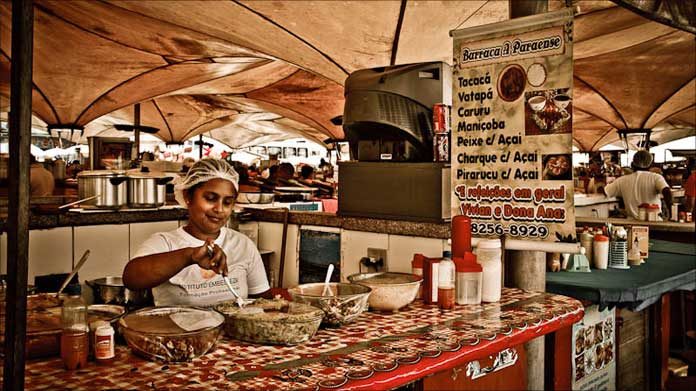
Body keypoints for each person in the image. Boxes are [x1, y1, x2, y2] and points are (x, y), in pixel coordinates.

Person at [123, 159, 270, 306]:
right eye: (210, 198)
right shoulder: (165, 243)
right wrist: (189, 256)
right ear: (188, 196)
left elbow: (262, 301)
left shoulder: (242, 244)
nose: (219, 209)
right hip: (176, 328)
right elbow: (131, 279)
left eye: (227, 202)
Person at [603, 150, 672, 220]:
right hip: (654, 223)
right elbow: (666, 191)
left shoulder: (622, 180)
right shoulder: (656, 177)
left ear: (632, 164)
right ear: (650, 164)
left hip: (632, 224)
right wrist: (671, 211)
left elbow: (605, 191)